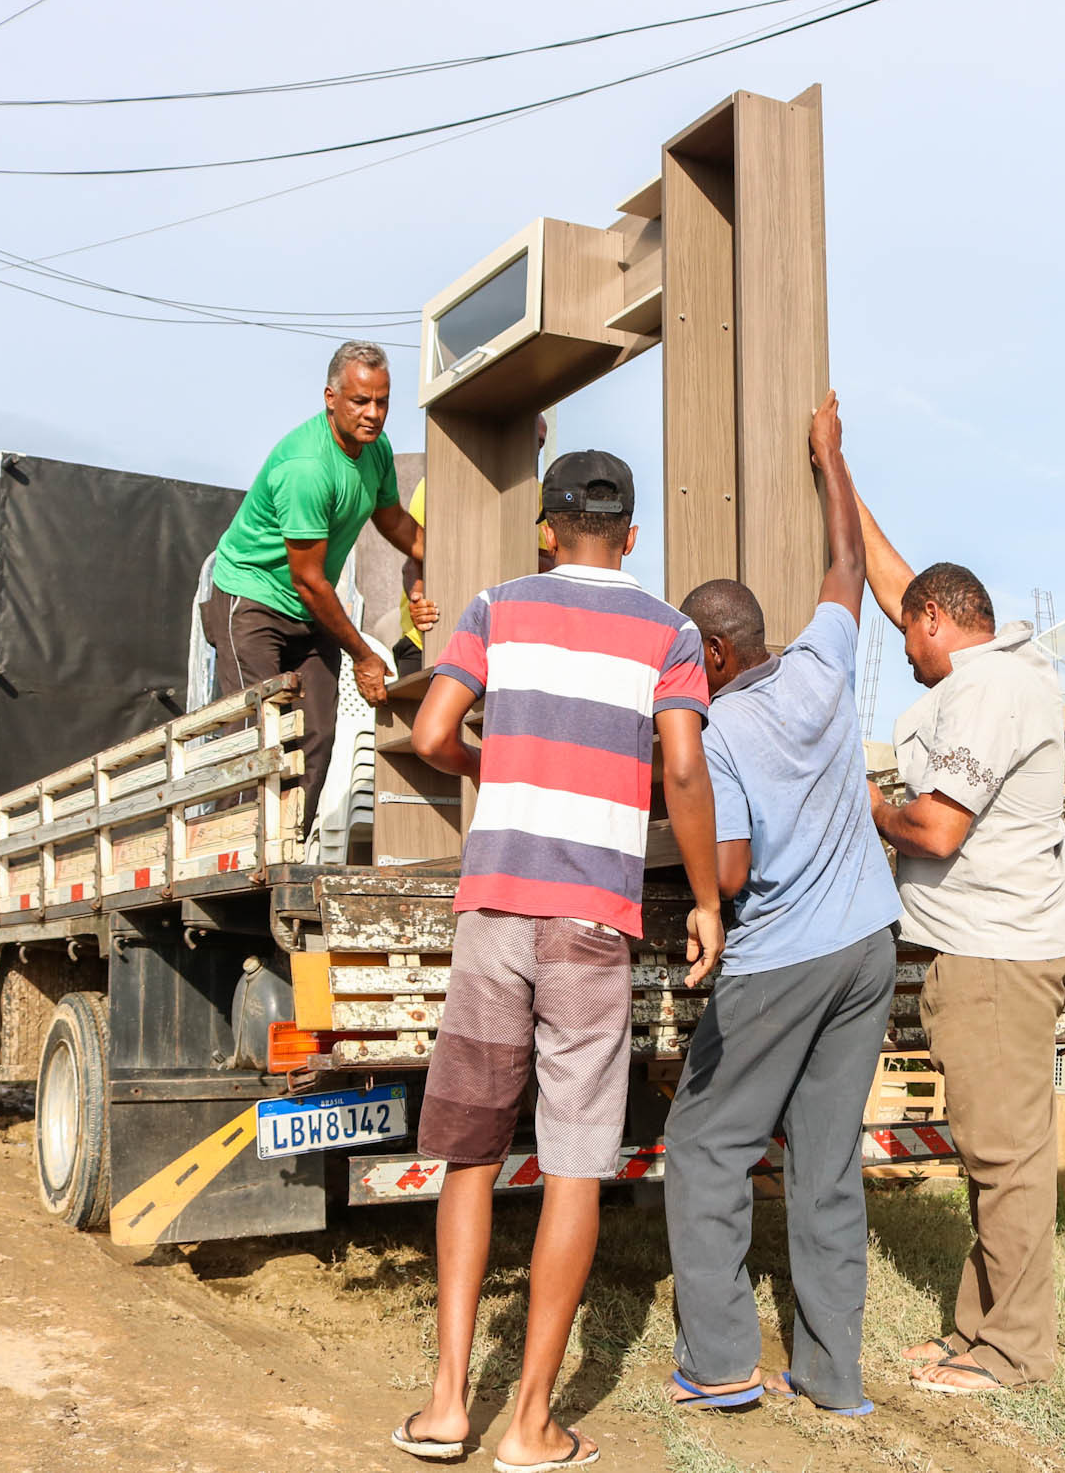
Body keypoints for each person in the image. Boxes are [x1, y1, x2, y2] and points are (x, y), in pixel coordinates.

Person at [395, 449, 725, 1471]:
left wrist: (497, 765)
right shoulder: (667, 631)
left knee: (468, 1153)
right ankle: (533, 1425)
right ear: (630, 537)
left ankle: (449, 1407)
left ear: (546, 527)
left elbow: (431, 727)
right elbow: (679, 764)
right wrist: (707, 897)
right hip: (591, 917)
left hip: (493, 902)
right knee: (576, 1158)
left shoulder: (495, 606)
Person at [664, 391, 903, 1417]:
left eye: (686, 656)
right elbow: (846, 569)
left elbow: (728, 869)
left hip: (783, 960)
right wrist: (829, 461)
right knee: (826, 1156)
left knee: (707, 1143)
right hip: (868, 944)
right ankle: (830, 1376)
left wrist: (692, 874)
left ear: (712, 653)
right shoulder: (820, 666)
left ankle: (719, 1362)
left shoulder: (716, 732)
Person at [850, 482, 1065, 1395]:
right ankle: (976, 1331)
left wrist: (866, 805)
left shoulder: (987, 691)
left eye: (910, 633)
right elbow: (898, 581)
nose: (904, 650)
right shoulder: (996, 667)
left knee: (1005, 1159)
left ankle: (1013, 1351)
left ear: (939, 624)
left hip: (998, 955)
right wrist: (842, 476)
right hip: (995, 947)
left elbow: (939, 830)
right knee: (997, 1150)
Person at [202, 340, 437, 831]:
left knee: (318, 735)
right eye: (359, 401)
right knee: (258, 740)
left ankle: (286, 847)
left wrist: (441, 563)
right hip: (254, 599)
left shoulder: (375, 449)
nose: (373, 414)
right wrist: (365, 656)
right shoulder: (307, 467)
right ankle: (233, 859)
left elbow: (392, 520)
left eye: (383, 401)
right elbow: (308, 580)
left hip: (311, 606)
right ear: (331, 397)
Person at [397, 414, 551, 673]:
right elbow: (414, 558)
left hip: (505, 649)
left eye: (538, 443)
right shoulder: (438, 484)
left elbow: (552, 567)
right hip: (429, 642)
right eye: (525, 439)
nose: (532, 450)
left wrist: (502, 546)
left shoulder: (542, 497)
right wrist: (418, 601)